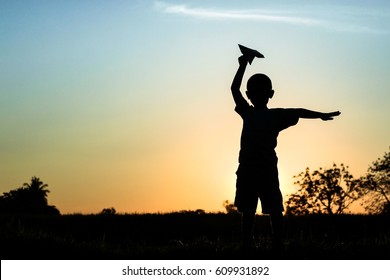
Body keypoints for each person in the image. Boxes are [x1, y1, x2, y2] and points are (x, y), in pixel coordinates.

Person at [231, 54, 340, 253]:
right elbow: (234, 89)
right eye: (256, 92)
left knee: (272, 210)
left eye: (261, 92)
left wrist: (320, 115)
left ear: (270, 94)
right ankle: (252, 245)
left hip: (264, 170)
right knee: (251, 210)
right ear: (251, 94)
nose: (258, 95)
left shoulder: (269, 115)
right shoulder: (252, 113)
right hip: (250, 170)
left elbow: (298, 111)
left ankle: (275, 246)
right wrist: (243, 65)